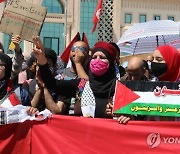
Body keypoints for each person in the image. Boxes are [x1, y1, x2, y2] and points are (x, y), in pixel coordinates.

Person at [32, 36, 131, 123]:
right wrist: (41, 58)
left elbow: (137, 113)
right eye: (94, 57)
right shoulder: (83, 84)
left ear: (111, 62)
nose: (97, 60)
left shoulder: (121, 88)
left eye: (102, 57)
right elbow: (53, 84)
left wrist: (126, 115)